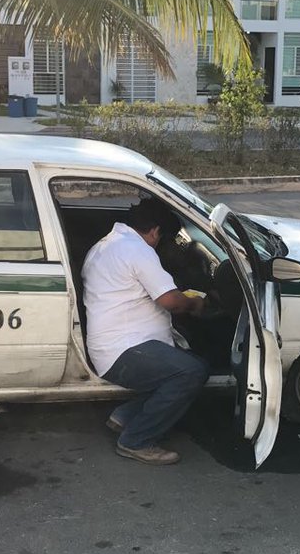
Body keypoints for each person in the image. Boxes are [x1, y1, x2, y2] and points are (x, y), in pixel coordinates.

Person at [82, 198, 209, 465]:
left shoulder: (106, 245)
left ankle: (124, 417)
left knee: (195, 365)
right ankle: (135, 441)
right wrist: (196, 304)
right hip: (124, 350)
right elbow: (171, 302)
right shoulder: (137, 251)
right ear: (155, 232)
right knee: (189, 373)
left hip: (113, 344)